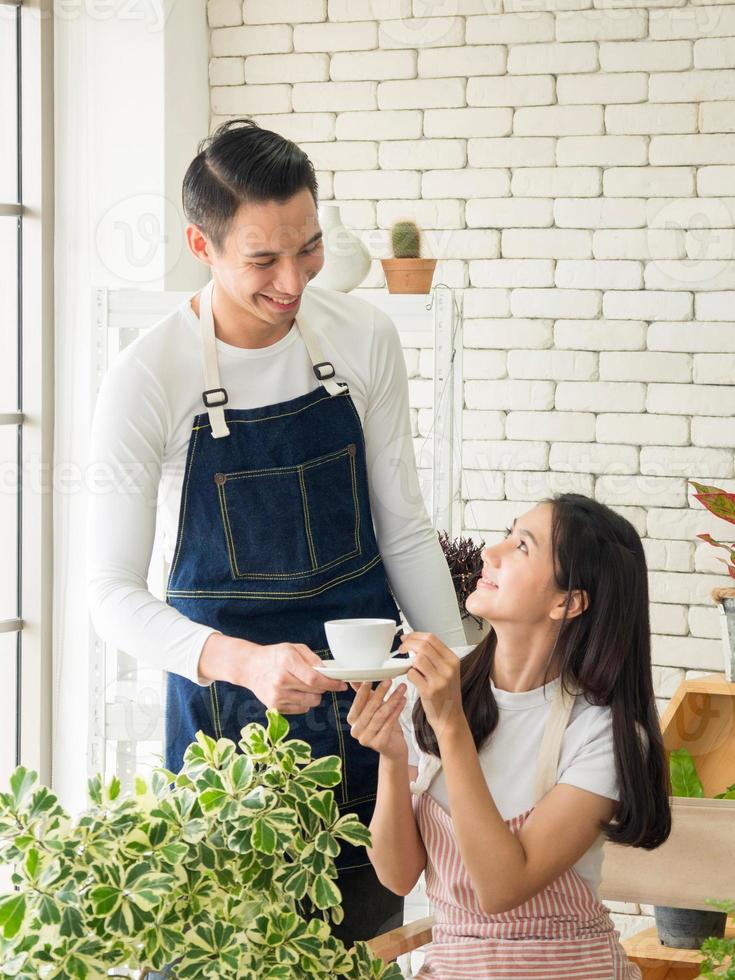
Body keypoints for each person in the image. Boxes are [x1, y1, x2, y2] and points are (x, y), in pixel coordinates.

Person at [86, 118, 465, 946]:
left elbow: (402, 530)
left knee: (359, 951)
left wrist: (460, 683)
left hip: (366, 722)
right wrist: (243, 661)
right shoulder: (147, 376)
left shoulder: (364, 337)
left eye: (310, 247)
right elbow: (108, 596)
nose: (292, 281)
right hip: (228, 734)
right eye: (262, 259)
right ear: (202, 244)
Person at [347, 493, 672, 977]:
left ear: (568, 601)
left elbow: (502, 888)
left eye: (522, 546)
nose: (490, 553)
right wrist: (392, 758)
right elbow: (397, 875)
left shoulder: (600, 729)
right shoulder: (434, 684)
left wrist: (451, 725)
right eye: (508, 534)